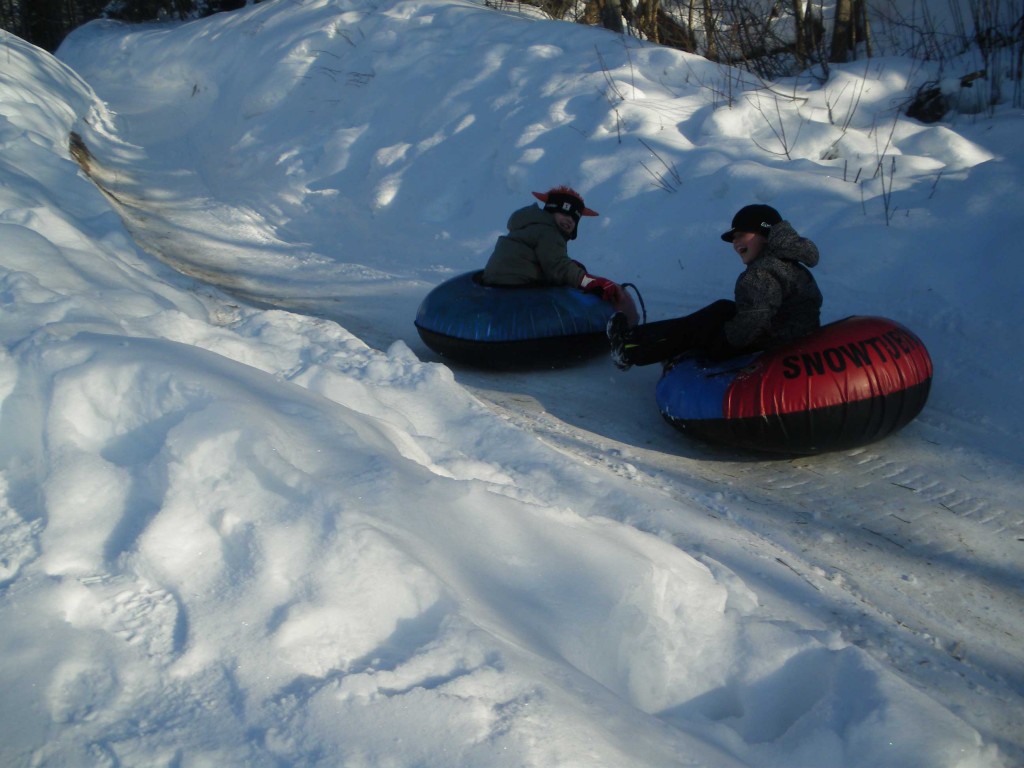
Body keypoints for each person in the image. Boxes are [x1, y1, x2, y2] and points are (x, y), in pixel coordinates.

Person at [607, 204, 822, 370]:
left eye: (742, 235)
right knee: (723, 310)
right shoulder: (788, 264)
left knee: (703, 325)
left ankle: (628, 348)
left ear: (764, 235)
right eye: (734, 239)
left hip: (774, 347)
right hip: (791, 339)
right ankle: (644, 344)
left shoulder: (761, 273)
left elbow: (752, 321)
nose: (736, 244)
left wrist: (718, 338)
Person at [482, 186, 624, 304]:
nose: (569, 220)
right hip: (515, 288)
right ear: (550, 211)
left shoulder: (531, 226)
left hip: (495, 283)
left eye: (574, 218)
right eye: (564, 213)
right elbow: (558, 268)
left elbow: (548, 259)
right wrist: (590, 282)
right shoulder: (549, 232)